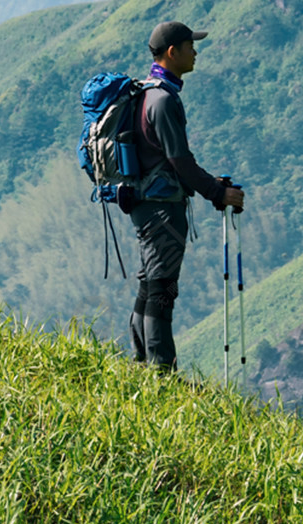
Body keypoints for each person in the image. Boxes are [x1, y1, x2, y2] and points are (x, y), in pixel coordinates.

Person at [129, 21, 245, 371]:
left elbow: (168, 160)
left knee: (152, 283)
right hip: (163, 209)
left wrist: (211, 184)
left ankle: (141, 361)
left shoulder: (146, 93)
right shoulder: (162, 101)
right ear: (171, 52)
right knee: (162, 287)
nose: (195, 52)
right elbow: (180, 162)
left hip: (146, 204)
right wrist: (218, 193)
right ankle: (161, 371)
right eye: (189, 46)